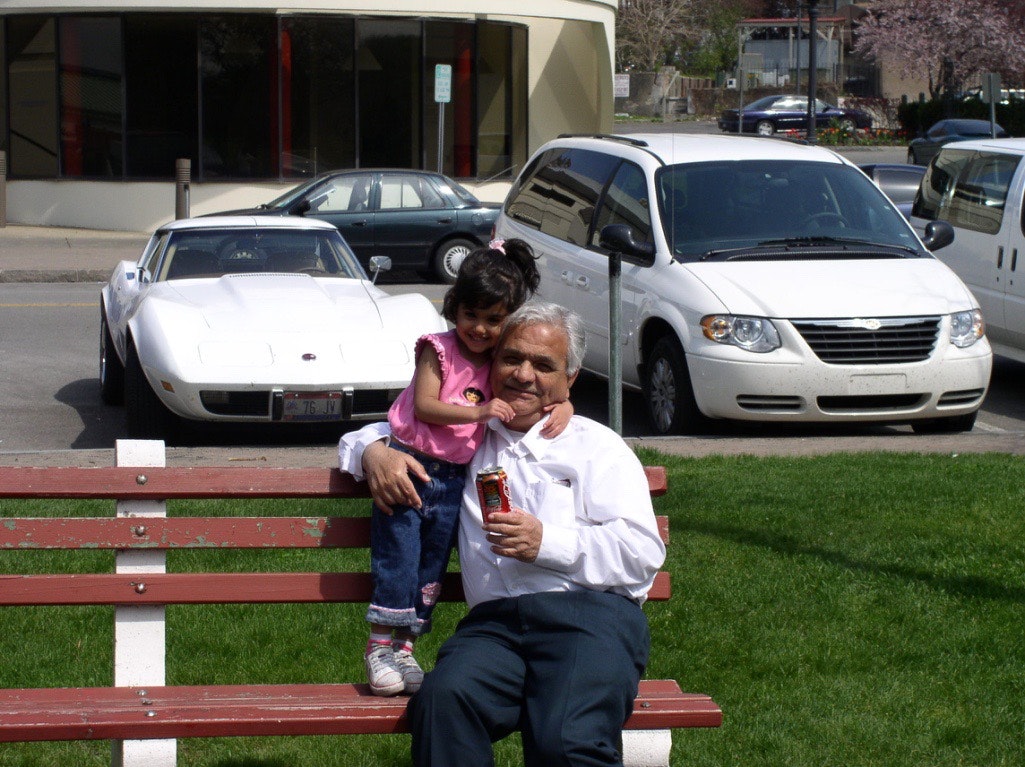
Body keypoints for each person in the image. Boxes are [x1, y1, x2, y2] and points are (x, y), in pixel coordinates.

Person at [339, 302, 666, 765]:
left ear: (570, 379)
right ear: (491, 364)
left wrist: (546, 543)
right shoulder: (465, 439)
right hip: (494, 630)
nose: (523, 375)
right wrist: (374, 452)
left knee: (565, 740)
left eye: (543, 365)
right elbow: (373, 433)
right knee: (442, 704)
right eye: (512, 358)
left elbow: (641, 553)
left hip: (590, 618)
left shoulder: (596, 446)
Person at [361, 240, 573, 698]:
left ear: (509, 322)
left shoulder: (497, 362)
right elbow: (425, 405)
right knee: (398, 559)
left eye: (494, 320)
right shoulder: (437, 350)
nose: (479, 328)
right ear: (454, 307)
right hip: (412, 467)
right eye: (471, 314)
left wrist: (567, 402)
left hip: (453, 481)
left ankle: (406, 648)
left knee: (431, 567)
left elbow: (542, 381)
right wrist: (479, 415)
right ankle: (379, 646)